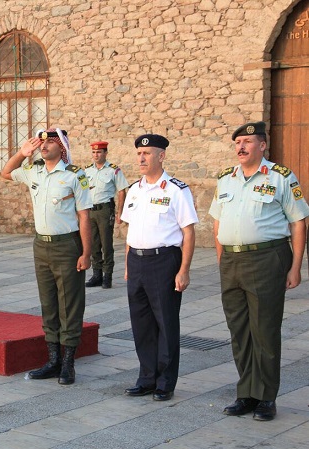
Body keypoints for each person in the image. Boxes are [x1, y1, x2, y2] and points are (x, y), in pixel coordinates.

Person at [209, 122, 309, 421]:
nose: (241, 147)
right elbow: (217, 222)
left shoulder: (281, 177)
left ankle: (266, 397)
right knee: (239, 330)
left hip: (267, 259)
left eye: (248, 141)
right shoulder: (226, 178)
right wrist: (222, 260)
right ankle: (247, 394)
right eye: (237, 142)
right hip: (232, 261)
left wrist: (296, 267)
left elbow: (298, 222)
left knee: (264, 330)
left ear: (262, 146)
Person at [1, 128, 92, 385]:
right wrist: (22, 153)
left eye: (50, 142)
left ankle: (68, 363)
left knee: (70, 304)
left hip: (67, 245)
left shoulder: (75, 175)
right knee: (48, 303)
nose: (43, 146)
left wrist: (86, 253)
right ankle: (53, 361)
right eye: (41, 142)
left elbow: (84, 216)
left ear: (61, 147)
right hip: (41, 245)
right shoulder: (34, 170)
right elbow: (6, 172)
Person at [121, 134, 198, 402]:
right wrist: (128, 264)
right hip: (137, 261)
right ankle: (146, 378)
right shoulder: (134, 189)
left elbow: (188, 232)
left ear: (161, 156)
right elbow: (130, 230)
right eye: (139, 154)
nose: (141, 158)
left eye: (147, 154)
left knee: (165, 322)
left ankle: (165, 382)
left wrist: (184, 269)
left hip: (163, 261)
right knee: (141, 323)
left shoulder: (176, 190)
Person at [83, 141, 129, 288]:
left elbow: (121, 191)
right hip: (90, 210)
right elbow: (82, 190)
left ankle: (107, 276)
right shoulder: (87, 171)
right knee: (93, 244)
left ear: (105, 153)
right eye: (94, 152)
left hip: (105, 210)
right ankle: (96, 275)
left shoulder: (113, 170)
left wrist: (120, 212)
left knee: (106, 244)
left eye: (99, 152)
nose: (96, 155)